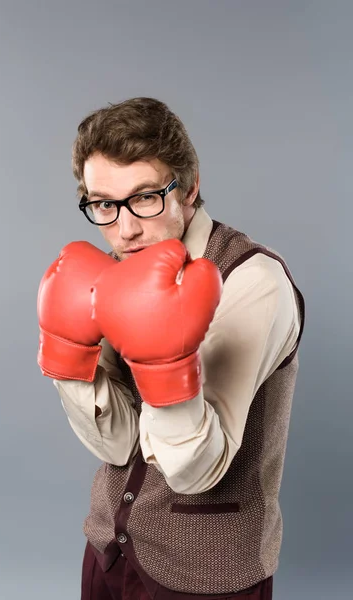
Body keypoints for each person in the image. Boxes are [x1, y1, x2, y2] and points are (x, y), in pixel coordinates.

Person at [36, 97, 305, 600]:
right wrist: (70, 362)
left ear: (191, 185)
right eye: (104, 204)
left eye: (145, 197)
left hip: (207, 573)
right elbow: (116, 445)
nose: (125, 227)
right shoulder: (116, 273)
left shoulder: (253, 281)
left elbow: (195, 471)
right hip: (108, 552)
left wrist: (165, 364)